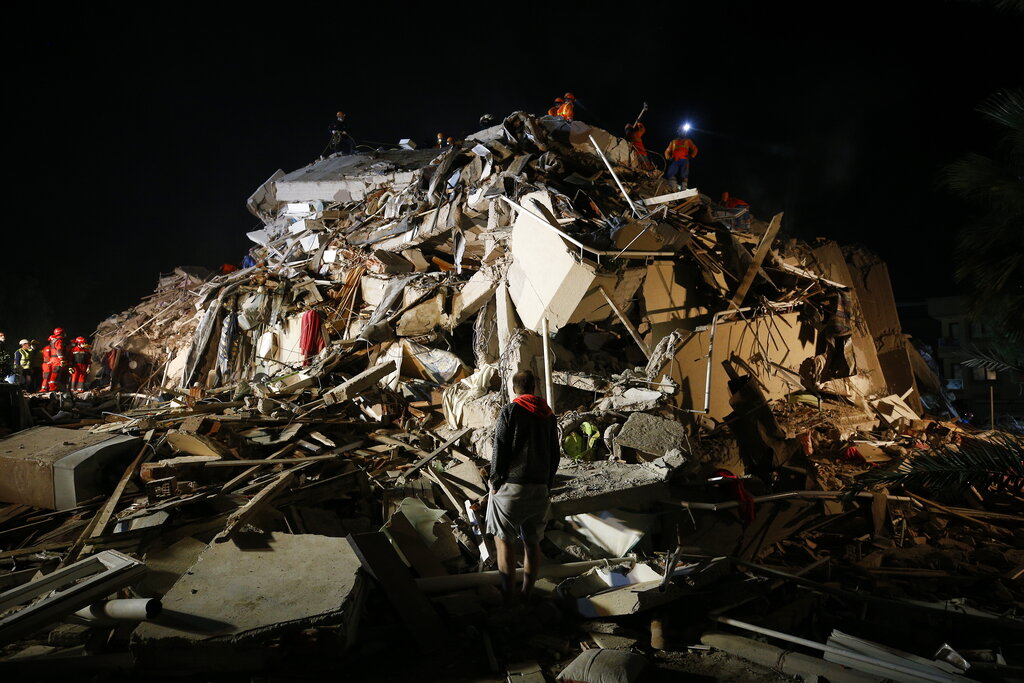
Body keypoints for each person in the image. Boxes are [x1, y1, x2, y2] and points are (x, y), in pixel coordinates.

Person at [487, 369, 559, 605]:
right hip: (539, 489)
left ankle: (508, 597)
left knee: (503, 541)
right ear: (534, 387)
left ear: (514, 388)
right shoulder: (548, 415)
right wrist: (547, 484)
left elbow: (500, 447)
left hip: (512, 487)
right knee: (532, 542)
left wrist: (496, 481)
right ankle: (527, 593)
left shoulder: (511, 410)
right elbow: (555, 455)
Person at [40, 328, 68, 392]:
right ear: (61, 333)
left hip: (53, 359)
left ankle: (51, 388)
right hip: (56, 360)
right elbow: (59, 350)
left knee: (53, 374)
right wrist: (61, 359)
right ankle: (53, 388)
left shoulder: (54, 340)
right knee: (55, 374)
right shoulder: (59, 340)